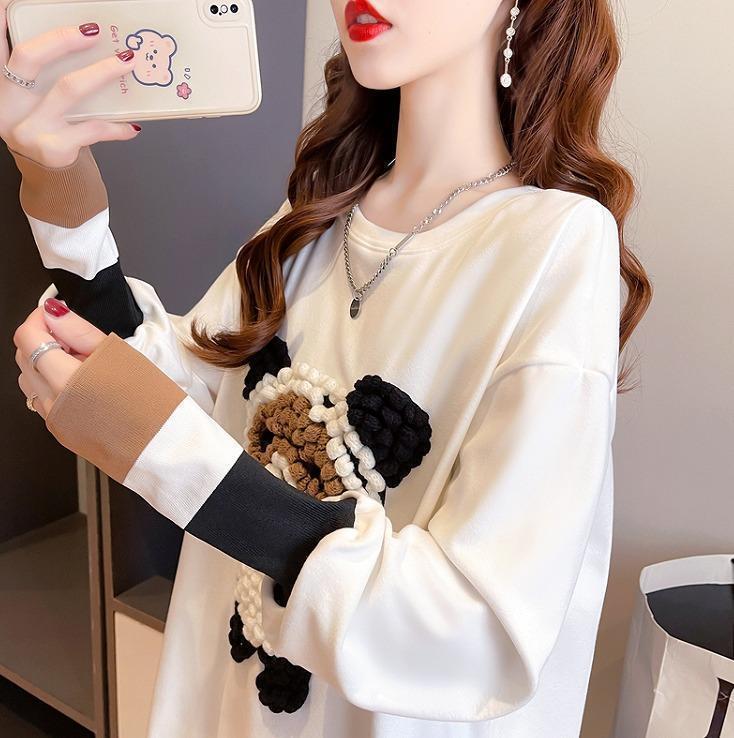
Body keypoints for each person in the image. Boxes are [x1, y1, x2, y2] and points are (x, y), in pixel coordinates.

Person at [5, 0, 652, 735]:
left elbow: (474, 631)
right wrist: (57, 178)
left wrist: (161, 447)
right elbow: (188, 390)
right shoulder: (316, 216)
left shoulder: (555, 245)